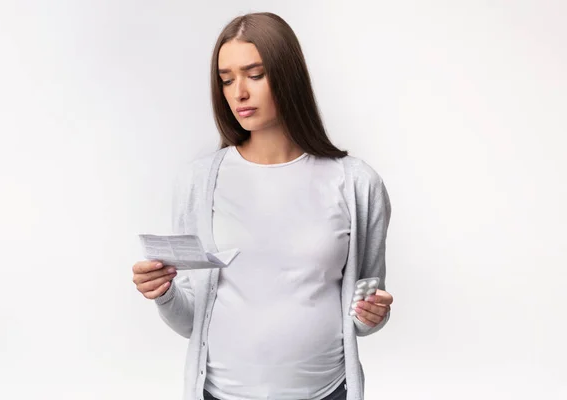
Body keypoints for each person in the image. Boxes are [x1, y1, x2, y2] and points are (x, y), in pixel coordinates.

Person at [132, 12, 393, 400]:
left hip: (327, 392)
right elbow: (191, 321)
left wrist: (374, 313)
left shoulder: (357, 183)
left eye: (254, 75)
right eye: (226, 79)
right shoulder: (199, 182)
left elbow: (363, 314)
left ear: (288, 76)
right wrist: (164, 293)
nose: (238, 92)